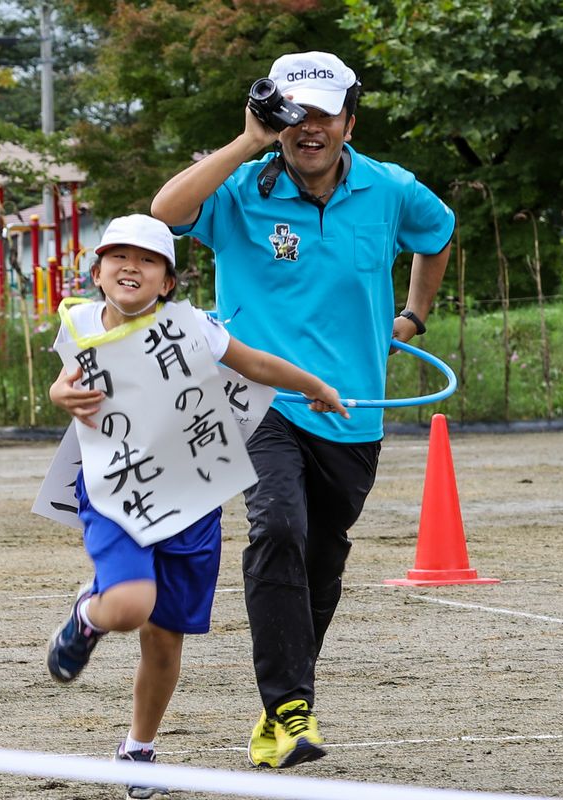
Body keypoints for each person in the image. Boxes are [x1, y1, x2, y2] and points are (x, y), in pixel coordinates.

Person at [151, 51, 455, 768]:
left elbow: (438, 234)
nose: (308, 129)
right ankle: (292, 707)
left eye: (323, 115)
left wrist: (411, 317)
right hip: (257, 399)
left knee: (323, 562)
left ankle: (278, 712)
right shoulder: (240, 187)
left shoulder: (390, 190)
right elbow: (164, 213)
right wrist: (247, 142)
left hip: (352, 409)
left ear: (350, 120)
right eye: (294, 115)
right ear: (275, 120)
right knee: (278, 526)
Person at [45, 214, 349, 798]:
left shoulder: (193, 329)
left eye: (149, 259)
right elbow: (66, 380)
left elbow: (255, 365)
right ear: (98, 272)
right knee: (131, 605)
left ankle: (138, 749)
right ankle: (90, 615)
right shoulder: (83, 322)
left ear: (167, 282)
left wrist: (314, 385)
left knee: (164, 640)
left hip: (191, 500)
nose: (131, 266)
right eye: (119, 256)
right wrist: (63, 393)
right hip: (119, 491)